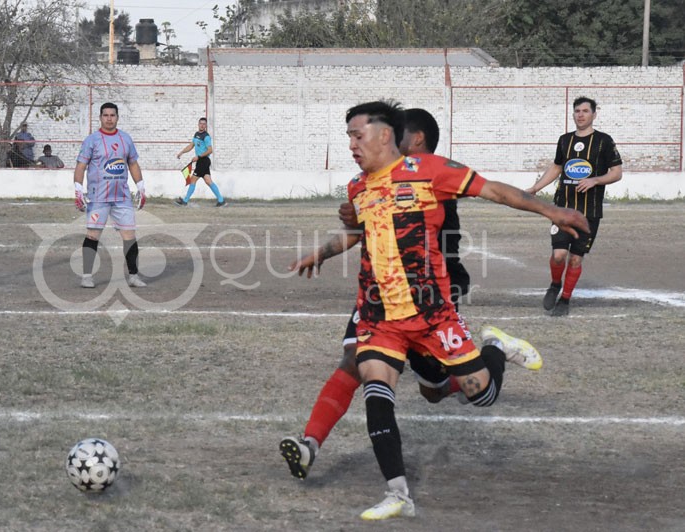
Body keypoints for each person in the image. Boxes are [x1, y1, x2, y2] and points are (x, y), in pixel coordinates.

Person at [288, 101, 588, 521]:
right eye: (349, 138)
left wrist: (551, 210)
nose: (352, 145)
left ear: (384, 134)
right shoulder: (358, 186)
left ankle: (495, 345)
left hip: (433, 315)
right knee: (376, 388)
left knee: (479, 394)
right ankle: (398, 494)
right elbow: (356, 230)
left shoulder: (431, 171)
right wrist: (320, 253)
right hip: (379, 315)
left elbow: (495, 190)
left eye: (357, 136)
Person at [526, 96, 623, 316]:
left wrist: (595, 180)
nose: (580, 114)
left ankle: (565, 300)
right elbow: (557, 167)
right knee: (559, 254)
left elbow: (616, 173)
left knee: (576, 258)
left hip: (589, 211)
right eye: (577, 111)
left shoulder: (604, 141)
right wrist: (535, 188)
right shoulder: (564, 140)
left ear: (594, 114)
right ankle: (554, 284)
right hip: (562, 208)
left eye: (585, 111)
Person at [74, 102, 147, 289]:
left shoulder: (125, 139)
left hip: (121, 197)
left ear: (117, 117)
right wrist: (77, 189)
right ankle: (87, 276)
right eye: (105, 115)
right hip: (98, 197)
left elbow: (133, 163)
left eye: (112, 115)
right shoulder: (92, 140)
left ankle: (133, 276)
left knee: (129, 235)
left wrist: (141, 186)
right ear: (100, 117)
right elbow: (81, 166)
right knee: (92, 235)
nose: (109, 118)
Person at [174, 117, 227, 207]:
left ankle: (185, 201)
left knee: (193, 180)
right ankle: (221, 201)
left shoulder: (206, 137)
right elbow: (191, 145)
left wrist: (198, 156)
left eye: (204, 124)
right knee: (208, 181)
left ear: (206, 126)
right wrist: (182, 152)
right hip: (201, 161)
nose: (202, 125)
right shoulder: (196, 134)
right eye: (200, 123)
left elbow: (210, 150)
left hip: (203, 161)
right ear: (198, 124)